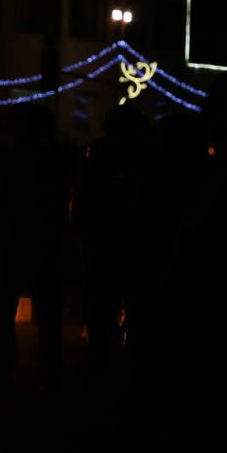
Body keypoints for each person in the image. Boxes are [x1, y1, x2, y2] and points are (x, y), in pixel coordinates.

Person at [0, 103, 70, 392]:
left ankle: (2, 371)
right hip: (40, 244)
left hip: (16, 243)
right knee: (45, 313)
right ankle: (48, 374)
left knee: (5, 312)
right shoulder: (53, 157)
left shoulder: (13, 157)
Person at [72, 103, 152, 379]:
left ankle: (104, 363)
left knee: (104, 309)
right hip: (120, 246)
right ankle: (120, 364)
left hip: (113, 246)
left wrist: (82, 235)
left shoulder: (107, 157)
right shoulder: (137, 158)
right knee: (119, 308)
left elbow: (81, 201)